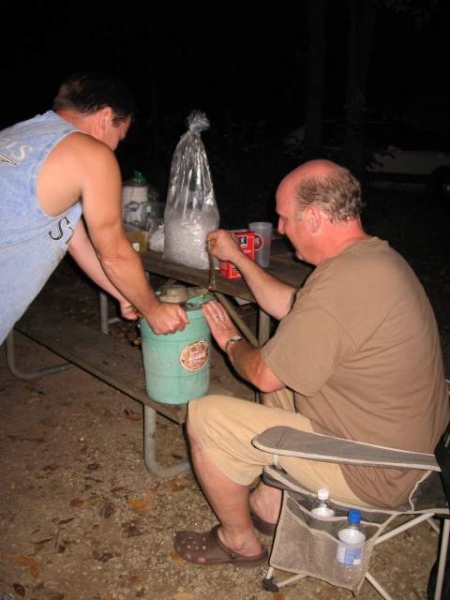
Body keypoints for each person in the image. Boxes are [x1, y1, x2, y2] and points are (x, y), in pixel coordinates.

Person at [174, 159, 449, 566]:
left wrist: (231, 341)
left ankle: (238, 542)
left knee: (205, 416)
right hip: (410, 442)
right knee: (291, 379)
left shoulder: (344, 281)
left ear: (315, 218)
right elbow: (295, 306)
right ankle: (271, 503)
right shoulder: (372, 261)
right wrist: (239, 258)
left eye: (285, 218)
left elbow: (263, 375)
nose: (281, 228)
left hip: (379, 469)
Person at [0, 71, 188, 345]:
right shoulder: (92, 154)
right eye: (119, 136)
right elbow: (114, 254)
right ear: (105, 117)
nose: (114, 147)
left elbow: (76, 242)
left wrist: (127, 295)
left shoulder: (17, 135)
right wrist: (154, 309)